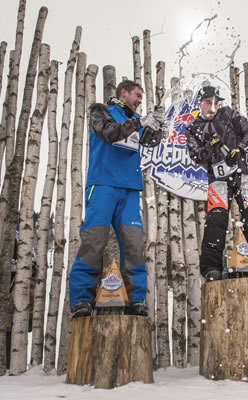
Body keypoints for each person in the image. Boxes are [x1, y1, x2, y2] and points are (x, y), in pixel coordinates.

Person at [69, 80, 164, 318]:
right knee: (94, 242)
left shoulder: (136, 120)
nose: (140, 100)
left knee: (134, 246)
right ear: (123, 93)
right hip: (102, 185)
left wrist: (158, 125)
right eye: (137, 95)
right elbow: (110, 133)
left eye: (142, 97)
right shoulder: (101, 111)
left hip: (129, 190)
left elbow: (150, 141)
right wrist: (140, 121)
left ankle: (136, 300)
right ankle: (82, 299)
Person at [185, 85, 248, 282]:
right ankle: (211, 268)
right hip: (218, 179)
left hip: (244, 172)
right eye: (207, 103)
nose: (212, 107)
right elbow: (196, 156)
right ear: (199, 104)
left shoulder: (229, 114)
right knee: (216, 220)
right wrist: (210, 149)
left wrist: (240, 149)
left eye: (215, 102)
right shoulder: (193, 128)